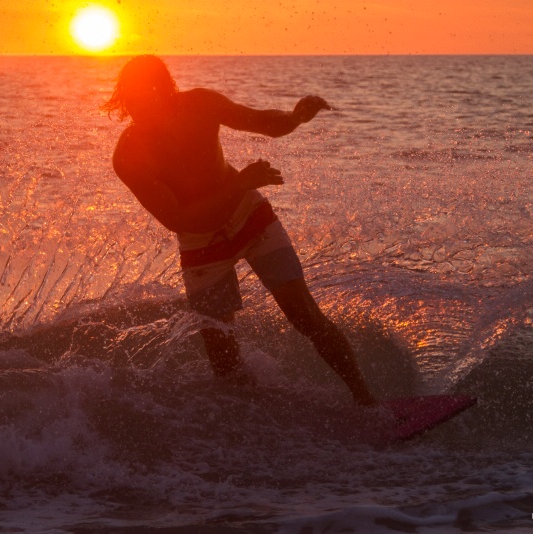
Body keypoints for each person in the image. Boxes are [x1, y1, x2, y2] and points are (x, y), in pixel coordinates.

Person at [103, 55, 375, 406]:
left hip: (249, 217)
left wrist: (293, 118)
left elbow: (263, 122)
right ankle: (251, 425)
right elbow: (179, 219)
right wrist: (241, 182)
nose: (140, 106)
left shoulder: (199, 104)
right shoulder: (128, 155)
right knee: (223, 357)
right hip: (200, 242)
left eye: (147, 95)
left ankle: (366, 400)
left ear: (165, 90)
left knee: (304, 314)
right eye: (132, 99)